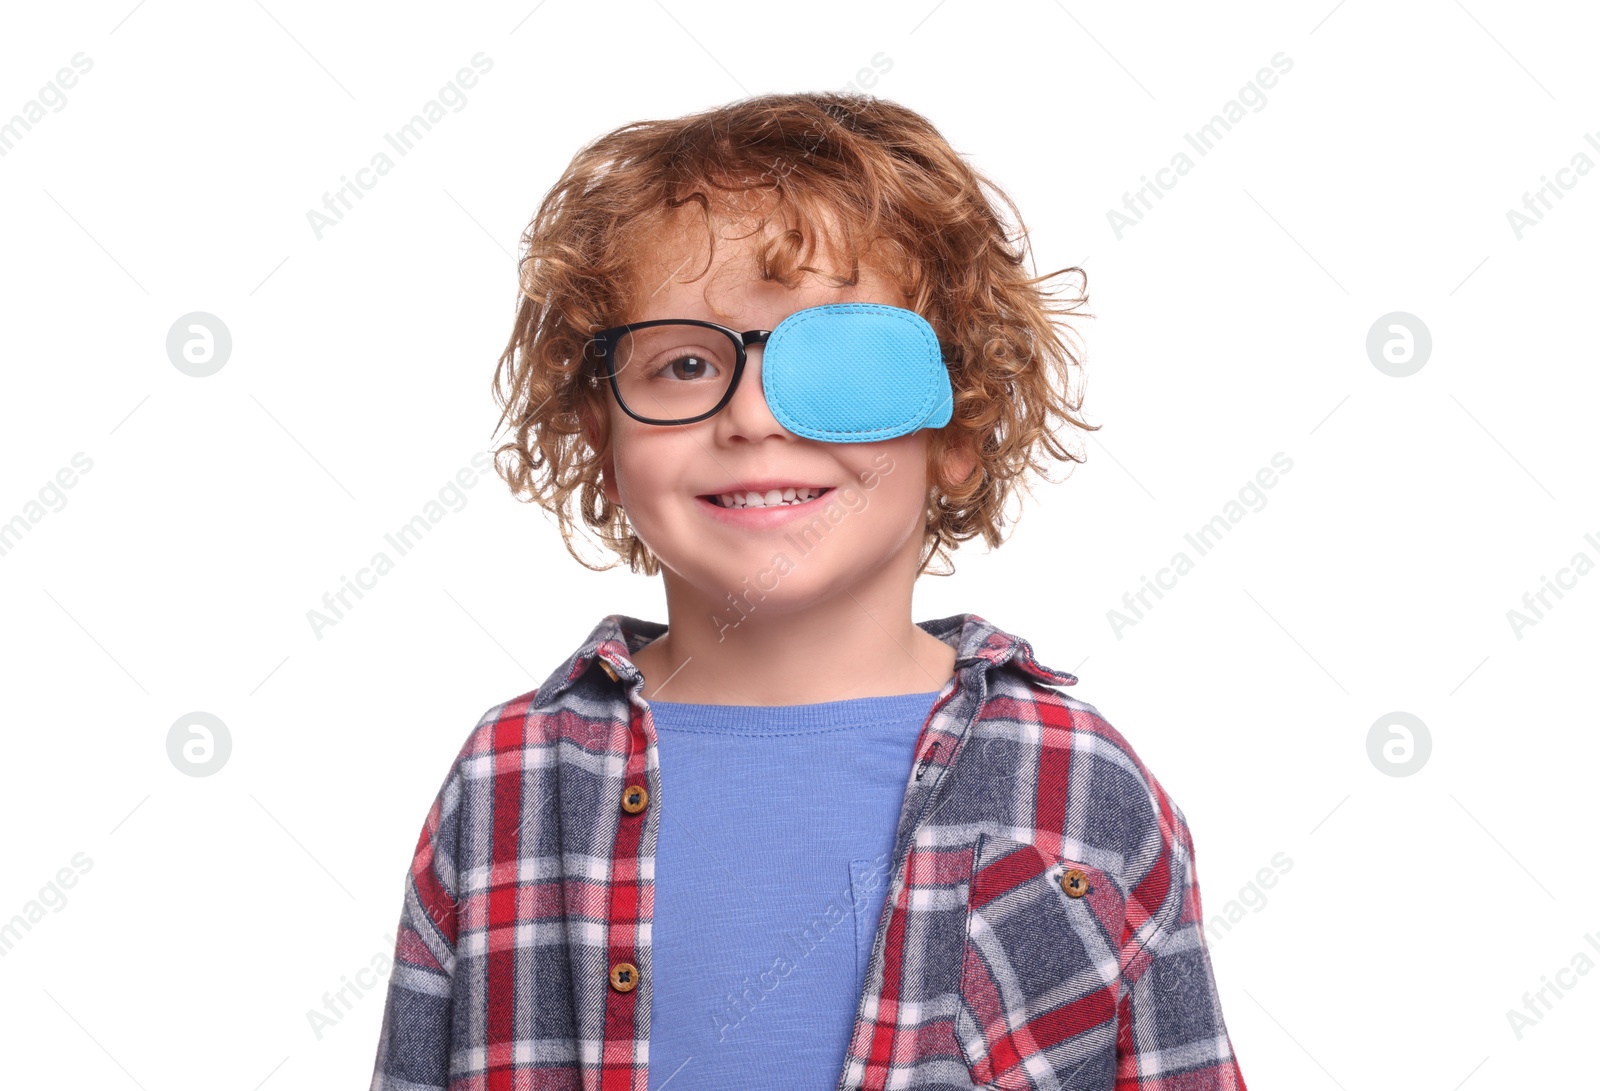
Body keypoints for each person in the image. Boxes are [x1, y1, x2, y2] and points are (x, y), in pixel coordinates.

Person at [369, 92, 1246, 1090]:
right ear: (599, 439)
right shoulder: (509, 781)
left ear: (958, 426)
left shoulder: (1081, 782)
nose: (749, 416)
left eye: (837, 361)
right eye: (685, 362)